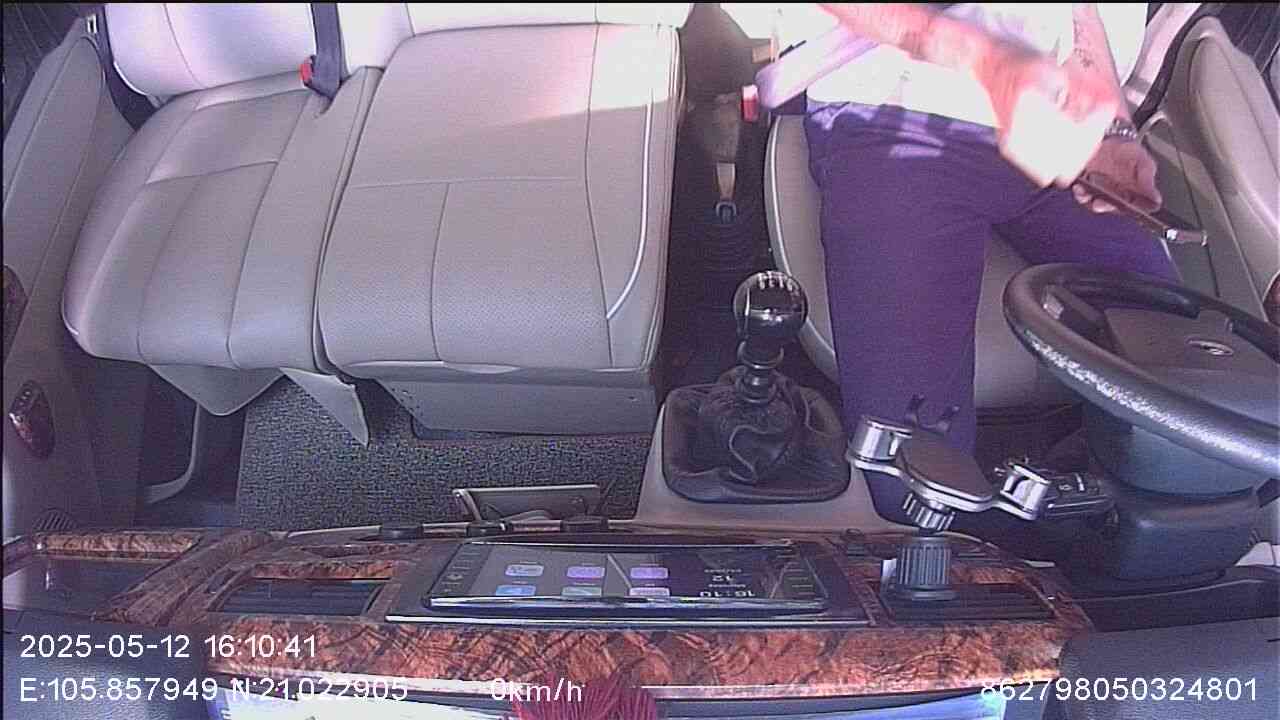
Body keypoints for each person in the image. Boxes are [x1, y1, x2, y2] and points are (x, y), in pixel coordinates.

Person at [794, 4, 1179, 522]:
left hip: (1053, 130)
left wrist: (1112, 128)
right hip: (894, 107)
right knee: (911, 479)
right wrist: (988, 61)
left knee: (1193, 394)